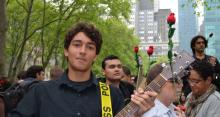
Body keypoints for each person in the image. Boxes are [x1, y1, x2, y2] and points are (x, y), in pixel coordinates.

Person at [8, 22, 157, 117]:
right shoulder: (40, 92)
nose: (83, 51)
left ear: (95, 55)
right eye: (77, 44)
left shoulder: (111, 95)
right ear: (66, 50)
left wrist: (137, 115)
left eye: (90, 47)